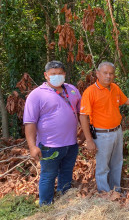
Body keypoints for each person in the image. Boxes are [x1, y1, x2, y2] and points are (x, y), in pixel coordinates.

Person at [79, 61, 129, 192]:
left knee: (117, 164)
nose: (108, 76)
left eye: (111, 73)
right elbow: (83, 116)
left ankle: (115, 192)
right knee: (103, 167)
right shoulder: (90, 92)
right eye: (105, 73)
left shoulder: (115, 88)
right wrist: (89, 140)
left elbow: (126, 100)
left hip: (117, 131)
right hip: (101, 134)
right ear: (97, 74)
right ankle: (105, 195)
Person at [24, 61, 82, 206]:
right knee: (48, 176)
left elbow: (82, 113)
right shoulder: (36, 95)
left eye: (60, 73)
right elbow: (30, 122)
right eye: (53, 74)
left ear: (64, 74)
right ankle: (45, 206)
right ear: (46, 75)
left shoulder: (72, 90)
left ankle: (64, 202)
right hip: (49, 146)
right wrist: (32, 146)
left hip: (71, 144)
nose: (57, 76)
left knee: (66, 173)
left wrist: (83, 135)